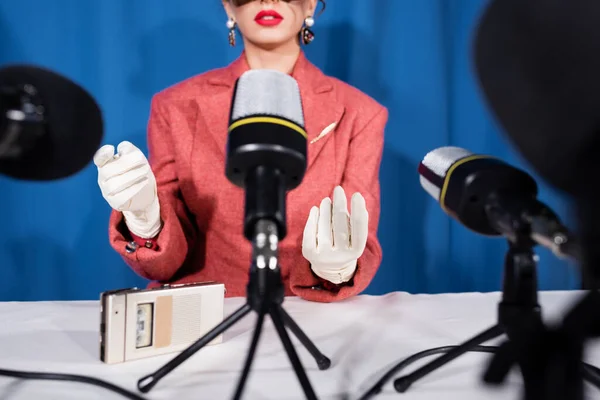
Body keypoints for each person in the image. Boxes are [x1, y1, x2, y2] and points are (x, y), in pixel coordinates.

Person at [93, 0, 388, 303]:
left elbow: (360, 235)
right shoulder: (176, 106)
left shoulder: (359, 113)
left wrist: (338, 267)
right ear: (229, 9)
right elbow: (167, 261)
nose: (268, 0)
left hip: (308, 311)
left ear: (311, 5)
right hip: (204, 314)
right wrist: (147, 218)